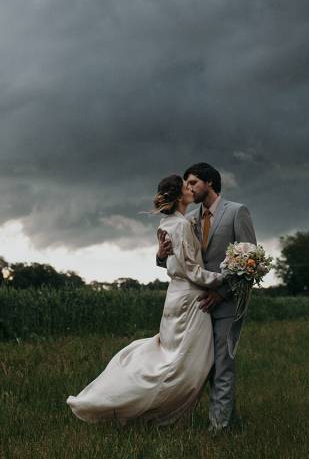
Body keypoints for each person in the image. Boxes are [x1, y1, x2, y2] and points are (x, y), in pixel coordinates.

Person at [66, 174, 223, 425]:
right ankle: (138, 407)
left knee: (173, 358)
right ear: (178, 196)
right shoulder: (181, 225)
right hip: (190, 299)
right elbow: (191, 270)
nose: (191, 189)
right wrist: (227, 277)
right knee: (188, 366)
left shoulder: (166, 223)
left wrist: (162, 257)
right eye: (186, 186)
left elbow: (173, 262)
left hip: (175, 297)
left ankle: (140, 405)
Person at [156, 162, 256, 432]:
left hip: (226, 303)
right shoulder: (188, 220)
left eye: (193, 183)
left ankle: (218, 430)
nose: (187, 188)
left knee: (223, 365)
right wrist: (160, 254)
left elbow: (250, 261)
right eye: (186, 184)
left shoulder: (237, 212)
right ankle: (229, 421)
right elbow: (177, 262)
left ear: (209, 182)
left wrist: (221, 293)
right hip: (197, 305)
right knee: (206, 367)